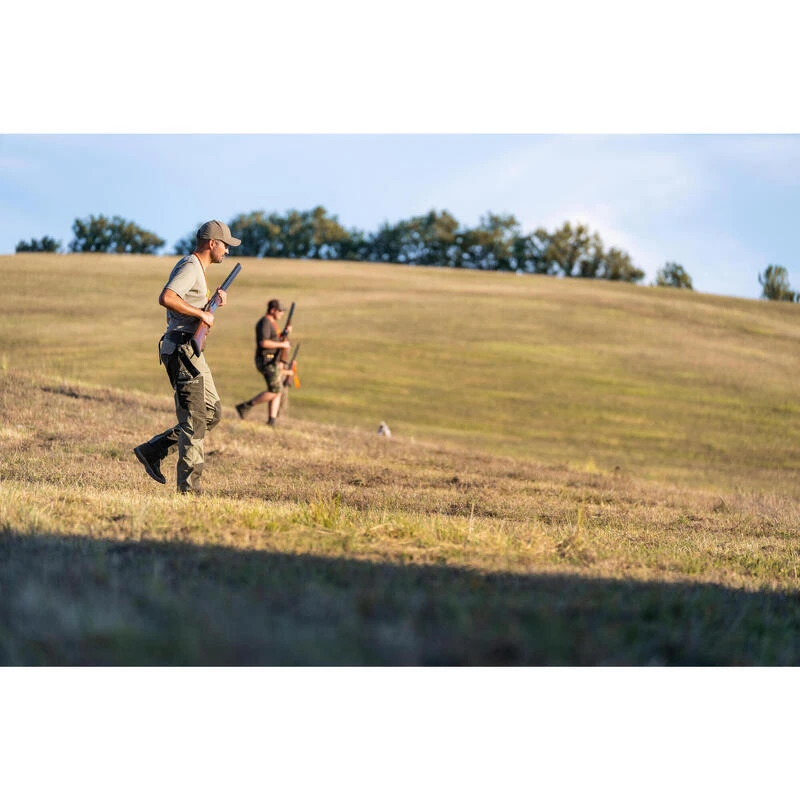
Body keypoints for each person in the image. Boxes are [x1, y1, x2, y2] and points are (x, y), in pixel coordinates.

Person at [133, 219, 241, 494]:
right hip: (181, 350)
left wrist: (211, 303)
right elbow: (167, 297)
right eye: (225, 245)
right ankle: (190, 492)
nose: (227, 251)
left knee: (212, 413)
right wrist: (202, 313)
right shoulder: (190, 266)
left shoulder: (197, 271)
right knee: (194, 420)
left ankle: (154, 450)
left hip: (191, 351)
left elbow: (186, 305)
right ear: (211, 243)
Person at [236, 299, 294, 426]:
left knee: (277, 390)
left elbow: (275, 339)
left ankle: (271, 421)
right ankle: (246, 405)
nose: (282, 313)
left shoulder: (272, 323)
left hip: (273, 360)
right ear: (272, 310)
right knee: (275, 390)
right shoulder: (265, 323)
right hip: (266, 360)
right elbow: (264, 343)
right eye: (280, 310)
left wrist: (285, 334)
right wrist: (282, 344)